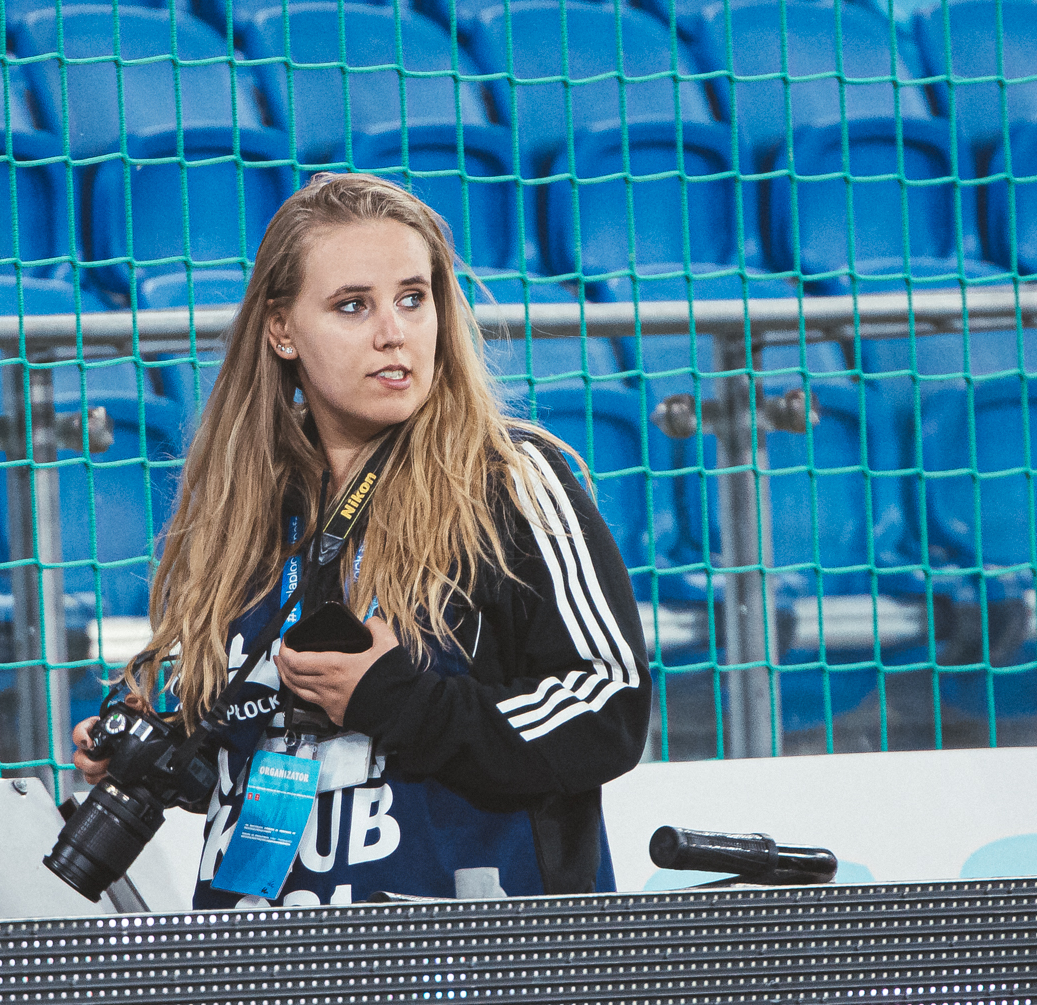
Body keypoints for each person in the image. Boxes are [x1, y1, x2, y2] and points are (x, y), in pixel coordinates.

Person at [72, 172, 649, 908]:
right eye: (353, 305)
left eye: (413, 298)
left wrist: (402, 703)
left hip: (465, 958)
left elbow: (608, 706)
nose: (393, 332)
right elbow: (258, 752)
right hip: (265, 958)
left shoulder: (507, 478)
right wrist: (157, 750)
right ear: (281, 330)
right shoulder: (240, 512)